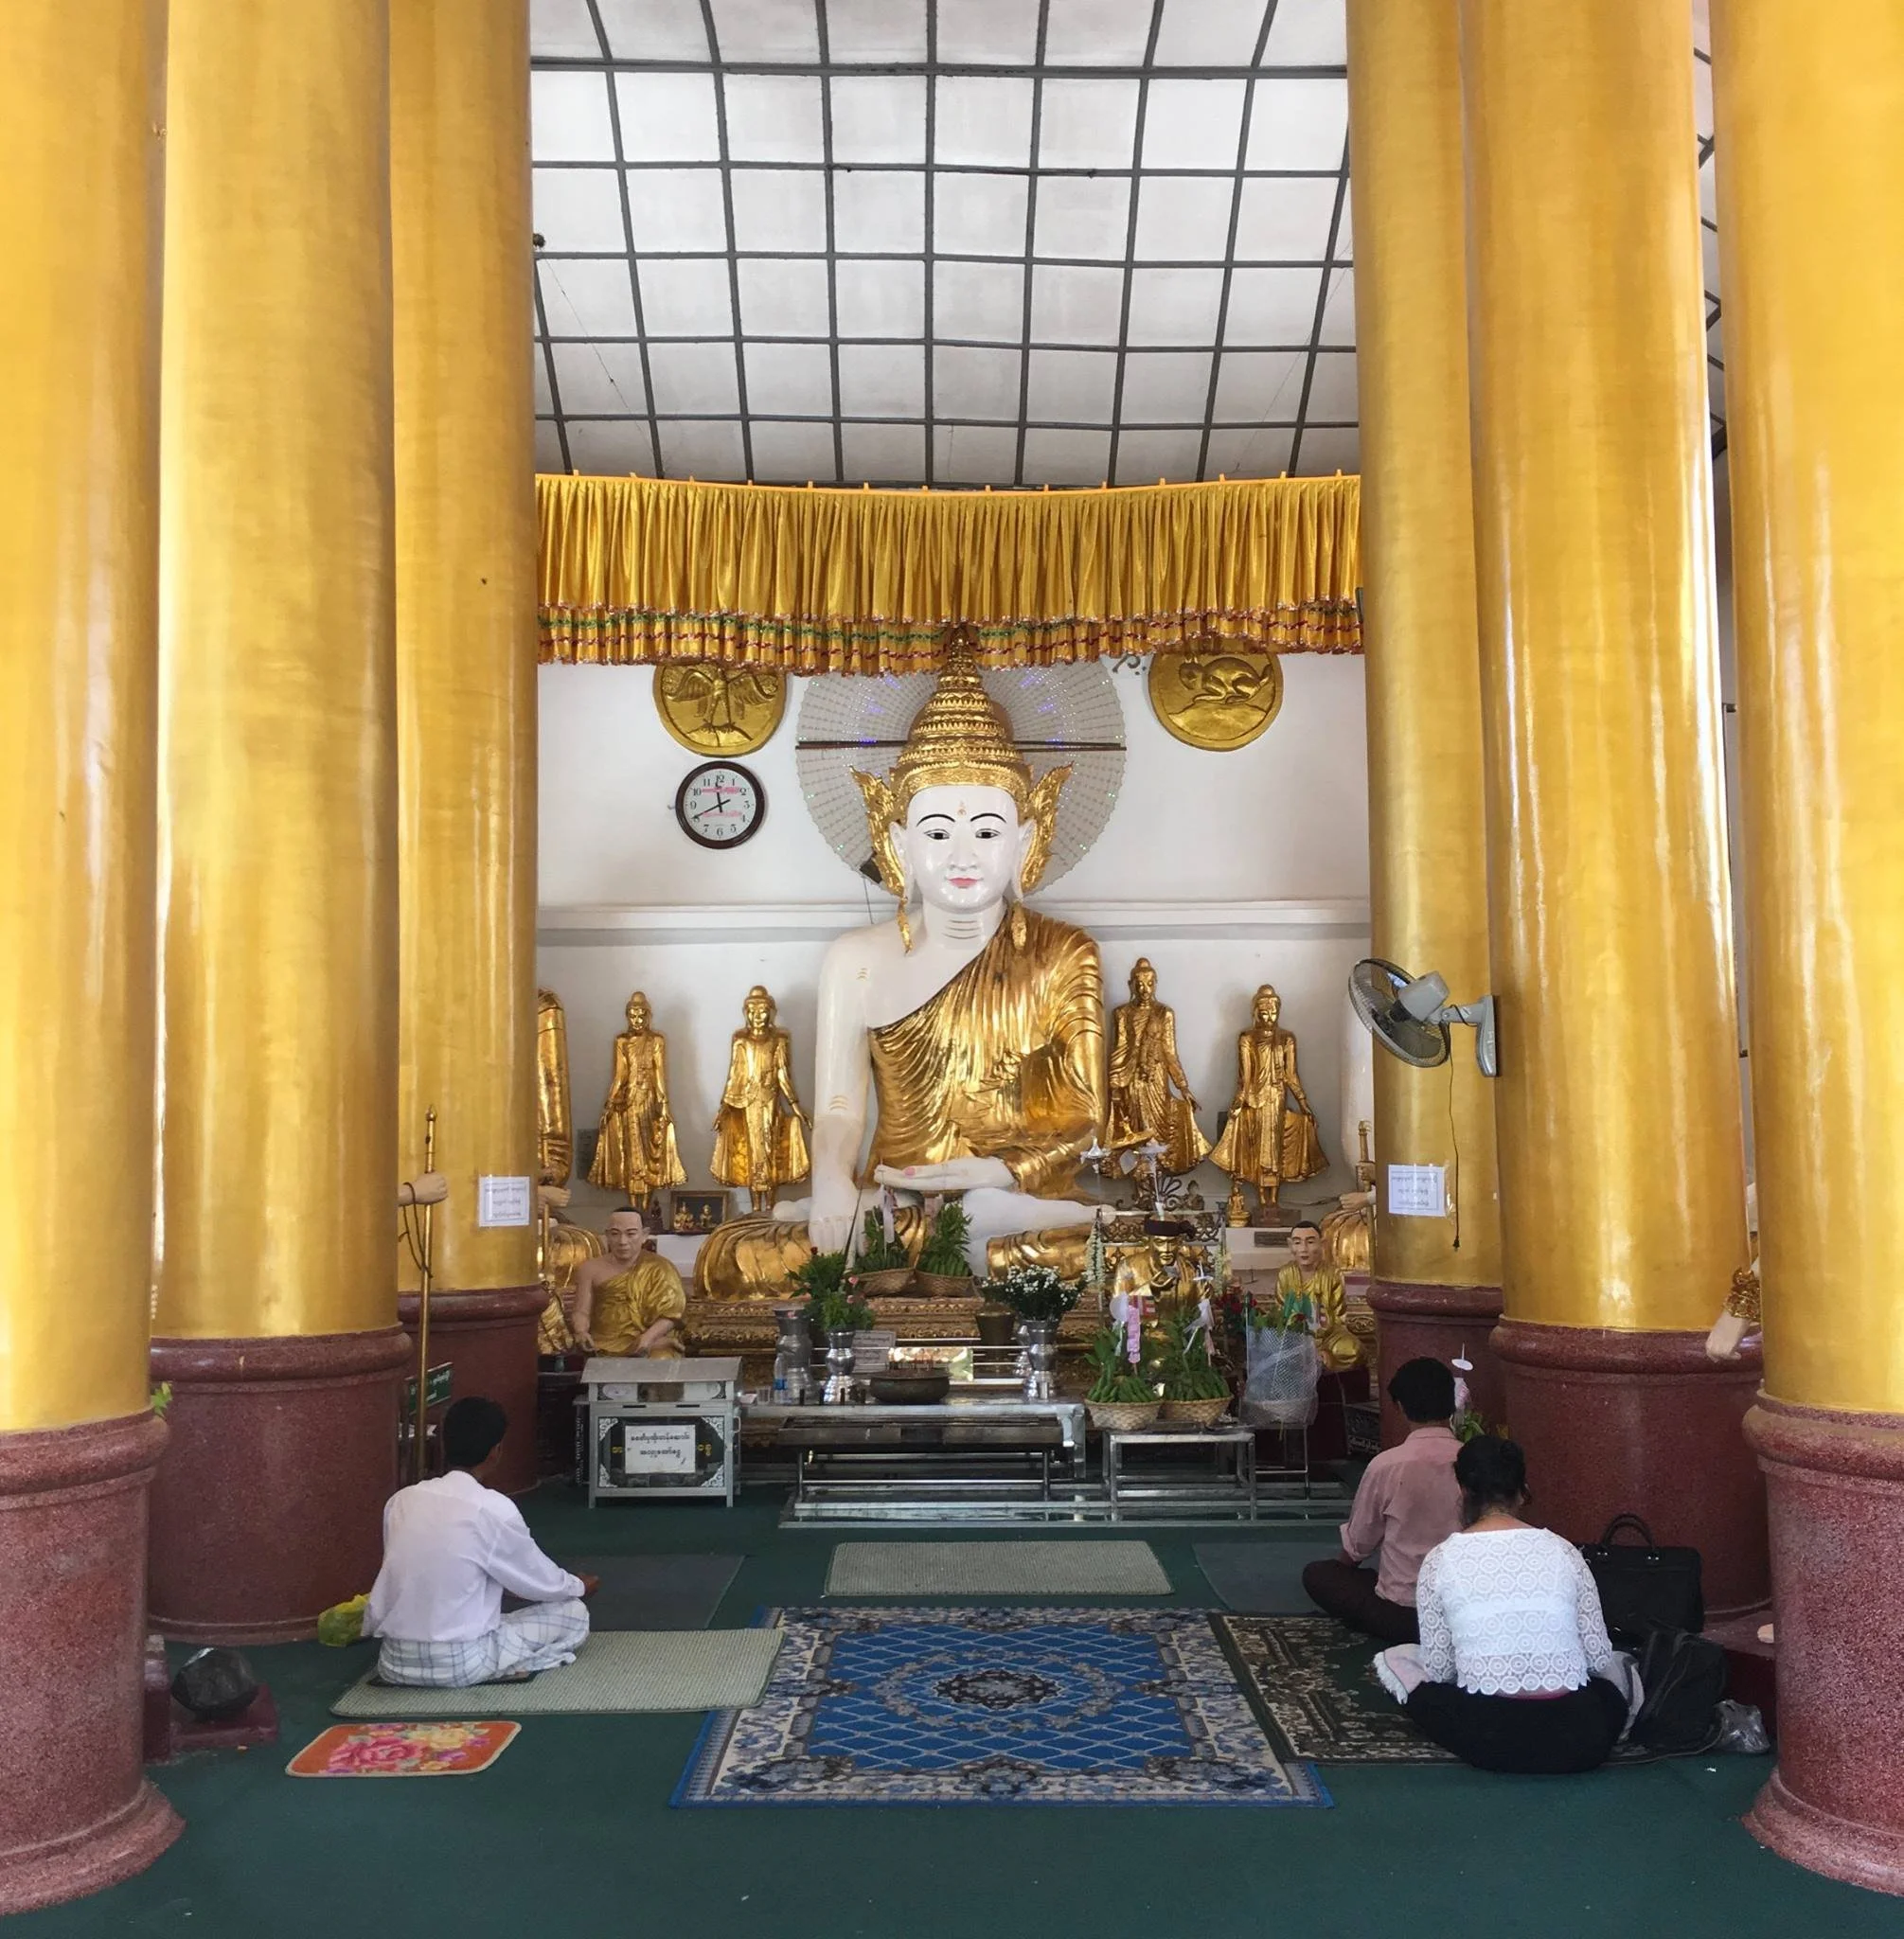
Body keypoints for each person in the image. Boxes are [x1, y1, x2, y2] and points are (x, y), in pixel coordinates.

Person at [1375, 1436, 1636, 1774]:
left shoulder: (1440, 1559)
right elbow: (1598, 1657)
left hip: (1489, 1739)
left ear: (1463, 1491)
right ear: (1522, 1491)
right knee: (1620, 1664)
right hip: (1581, 1740)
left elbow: (1441, 1670)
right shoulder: (1564, 1550)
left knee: (1396, 1659)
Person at [365, 1396, 597, 1688]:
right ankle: (507, 1663)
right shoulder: (493, 1507)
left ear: (444, 1445)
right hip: (462, 1664)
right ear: (495, 1451)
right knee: (573, 1613)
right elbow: (538, 1580)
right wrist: (578, 1586)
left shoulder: (401, 1501)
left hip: (394, 1662)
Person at [1302, 1357, 1461, 1642]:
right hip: (1460, 1614)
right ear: (1452, 1405)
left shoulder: (1386, 1465)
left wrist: (1342, 1570)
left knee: (1319, 1575)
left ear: (1400, 1407)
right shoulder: (1471, 1462)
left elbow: (1357, 1546)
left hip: (1401, 1615)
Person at [568, 1205, 688, 1357]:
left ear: (644, 1235)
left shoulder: (661, 1268)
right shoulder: (590, 1269)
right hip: (602, 1344)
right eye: (615, 1234)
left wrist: (647, 1338)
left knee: (661, 1359)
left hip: (649, 1340)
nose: (622, 1241)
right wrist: (581, 1331)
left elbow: (671, 1314)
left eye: (631, 1234)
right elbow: (581, 1311)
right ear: (607, 1235)